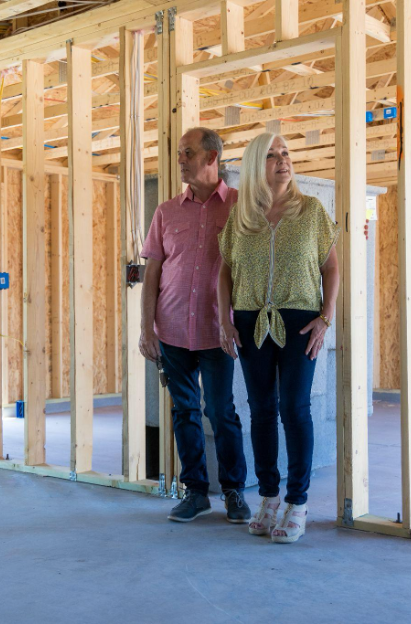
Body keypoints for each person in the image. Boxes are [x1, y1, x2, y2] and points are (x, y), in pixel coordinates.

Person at [217, 132, 341, 544]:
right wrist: (224, 318)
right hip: (251, 320)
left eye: (286, 153)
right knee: (261, 410)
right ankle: (268, 498)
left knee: (295, 408)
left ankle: (298, 502)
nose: (282, 161)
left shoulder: (311, 211)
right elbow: (225, 271)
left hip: (300, 319)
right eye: (272, 155)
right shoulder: (243, 216)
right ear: (257, 164)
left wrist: (326, 318)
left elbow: (332, 269)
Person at [140, 127, 251, 524]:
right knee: (184, 411)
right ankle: (195, 492)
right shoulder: (167, 211)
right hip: (171, 330)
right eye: (179, 152)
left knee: (221, 412)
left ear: (211, 158)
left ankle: (235, 492)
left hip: (218, 331)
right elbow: (152, 271)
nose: (181, 160)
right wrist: (145, 327)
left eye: (187, 152)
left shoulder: (240, 206)